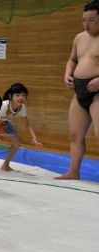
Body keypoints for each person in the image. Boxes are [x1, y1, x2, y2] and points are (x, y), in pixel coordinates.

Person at [55, 1, 99, 180]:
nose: (86, 24)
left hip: (98, 92)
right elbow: (72, 60)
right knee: (74, 135)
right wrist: (67, 73)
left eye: (91, 20)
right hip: (79, 91)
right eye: (84, 20)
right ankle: (73, 171)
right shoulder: (79, 37)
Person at [0, 83, 43, 171]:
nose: (21, 97)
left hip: (4, 122)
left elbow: (27, 124)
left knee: (17, 142)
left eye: (23, 95)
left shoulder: (22, 107)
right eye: (17, 95)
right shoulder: (5, 104)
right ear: (11, 96)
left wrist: (34, 138)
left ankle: (5, 165)